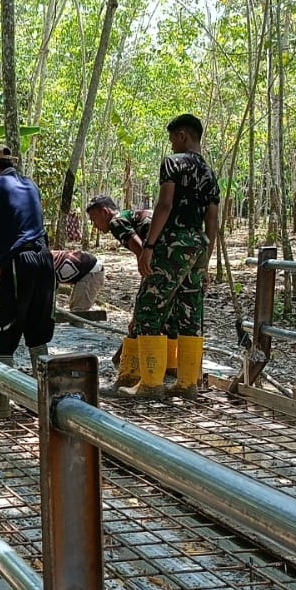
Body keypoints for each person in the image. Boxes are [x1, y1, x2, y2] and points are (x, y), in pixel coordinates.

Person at [125, 114, 220, 397]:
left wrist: (150, 246)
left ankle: (150, 383)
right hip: (198, 245)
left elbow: (164, 205)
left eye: (172, 139)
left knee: (149, 306)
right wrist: (206, 261)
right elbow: (213, 222)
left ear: (182, 136)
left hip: (173, 243)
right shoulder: (210, 174)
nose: (172, 145)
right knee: (189, 310)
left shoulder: (173, 163)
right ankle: (186, 383)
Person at [0, 143, 56, 418]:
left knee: (4, 333)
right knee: (38, 333)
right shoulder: (30, 185)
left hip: (19, 264)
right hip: (44, 260)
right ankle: (47, 399)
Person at [86, 194, 154, 386]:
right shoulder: (131, 216)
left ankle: (129, 378)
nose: (95, 225)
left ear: (105, 212)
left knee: (144, 318)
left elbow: (143, 254)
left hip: (161, 263)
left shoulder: (117, 222)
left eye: (94, 219)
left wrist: (140, 300)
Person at [51, 248, 104, 313]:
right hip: (84, 269)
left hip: (92, 272)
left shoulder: (45, 264)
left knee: (78, 311)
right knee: (74, 308)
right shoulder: (45, 259)